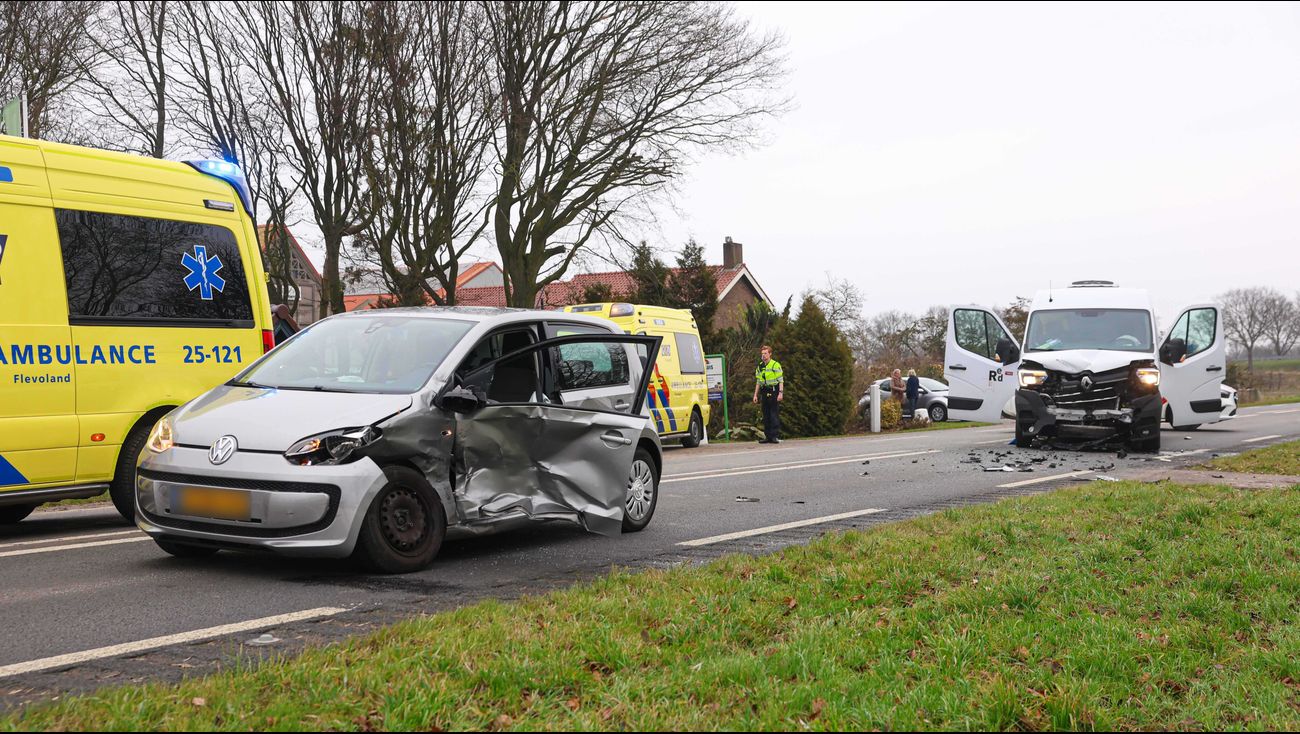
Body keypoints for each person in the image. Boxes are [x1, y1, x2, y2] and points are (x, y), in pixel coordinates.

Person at [752, 345, 784, 444]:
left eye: (765, 353)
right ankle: (768, 436)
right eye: (762, 354)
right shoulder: (760, 366)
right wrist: (755, 395)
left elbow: (781, 380)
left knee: (773, 414)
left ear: (770, 354)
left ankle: (774, 436)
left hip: (774, 391)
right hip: (764, 391)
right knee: (765, 415)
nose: (764, 356)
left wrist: (780, 393)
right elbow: (758, 381)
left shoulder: (775, 365)